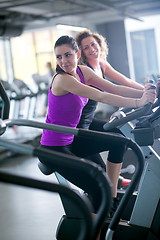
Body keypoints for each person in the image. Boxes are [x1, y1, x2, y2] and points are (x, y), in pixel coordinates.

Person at [38, 35, 156, 218]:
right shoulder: (63, 80)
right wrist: (138, 102)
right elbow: (101, 97)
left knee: (119, 141)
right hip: (54, 149)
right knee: (100, 189)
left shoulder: (83, 72)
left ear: (77, 54)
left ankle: (113, 200)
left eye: (68, 55)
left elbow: (113, 88)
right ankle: (98, 227)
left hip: (72, 140)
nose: (64, 61)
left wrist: (148, 92)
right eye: (59, 57)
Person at [75, 29, 146, 212]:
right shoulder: (84, 71)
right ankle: (110, 201)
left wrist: (148, 90)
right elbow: (115, 90)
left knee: (119, 138)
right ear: (80, 52)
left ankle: (106, 205)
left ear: (100, 44)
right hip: (78, 128)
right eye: (86, 47)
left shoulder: (101, 64)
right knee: (117, 143)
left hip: (89, 122)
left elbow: (126, 81)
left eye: (93, 44)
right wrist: (144, 97)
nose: (92, 49)